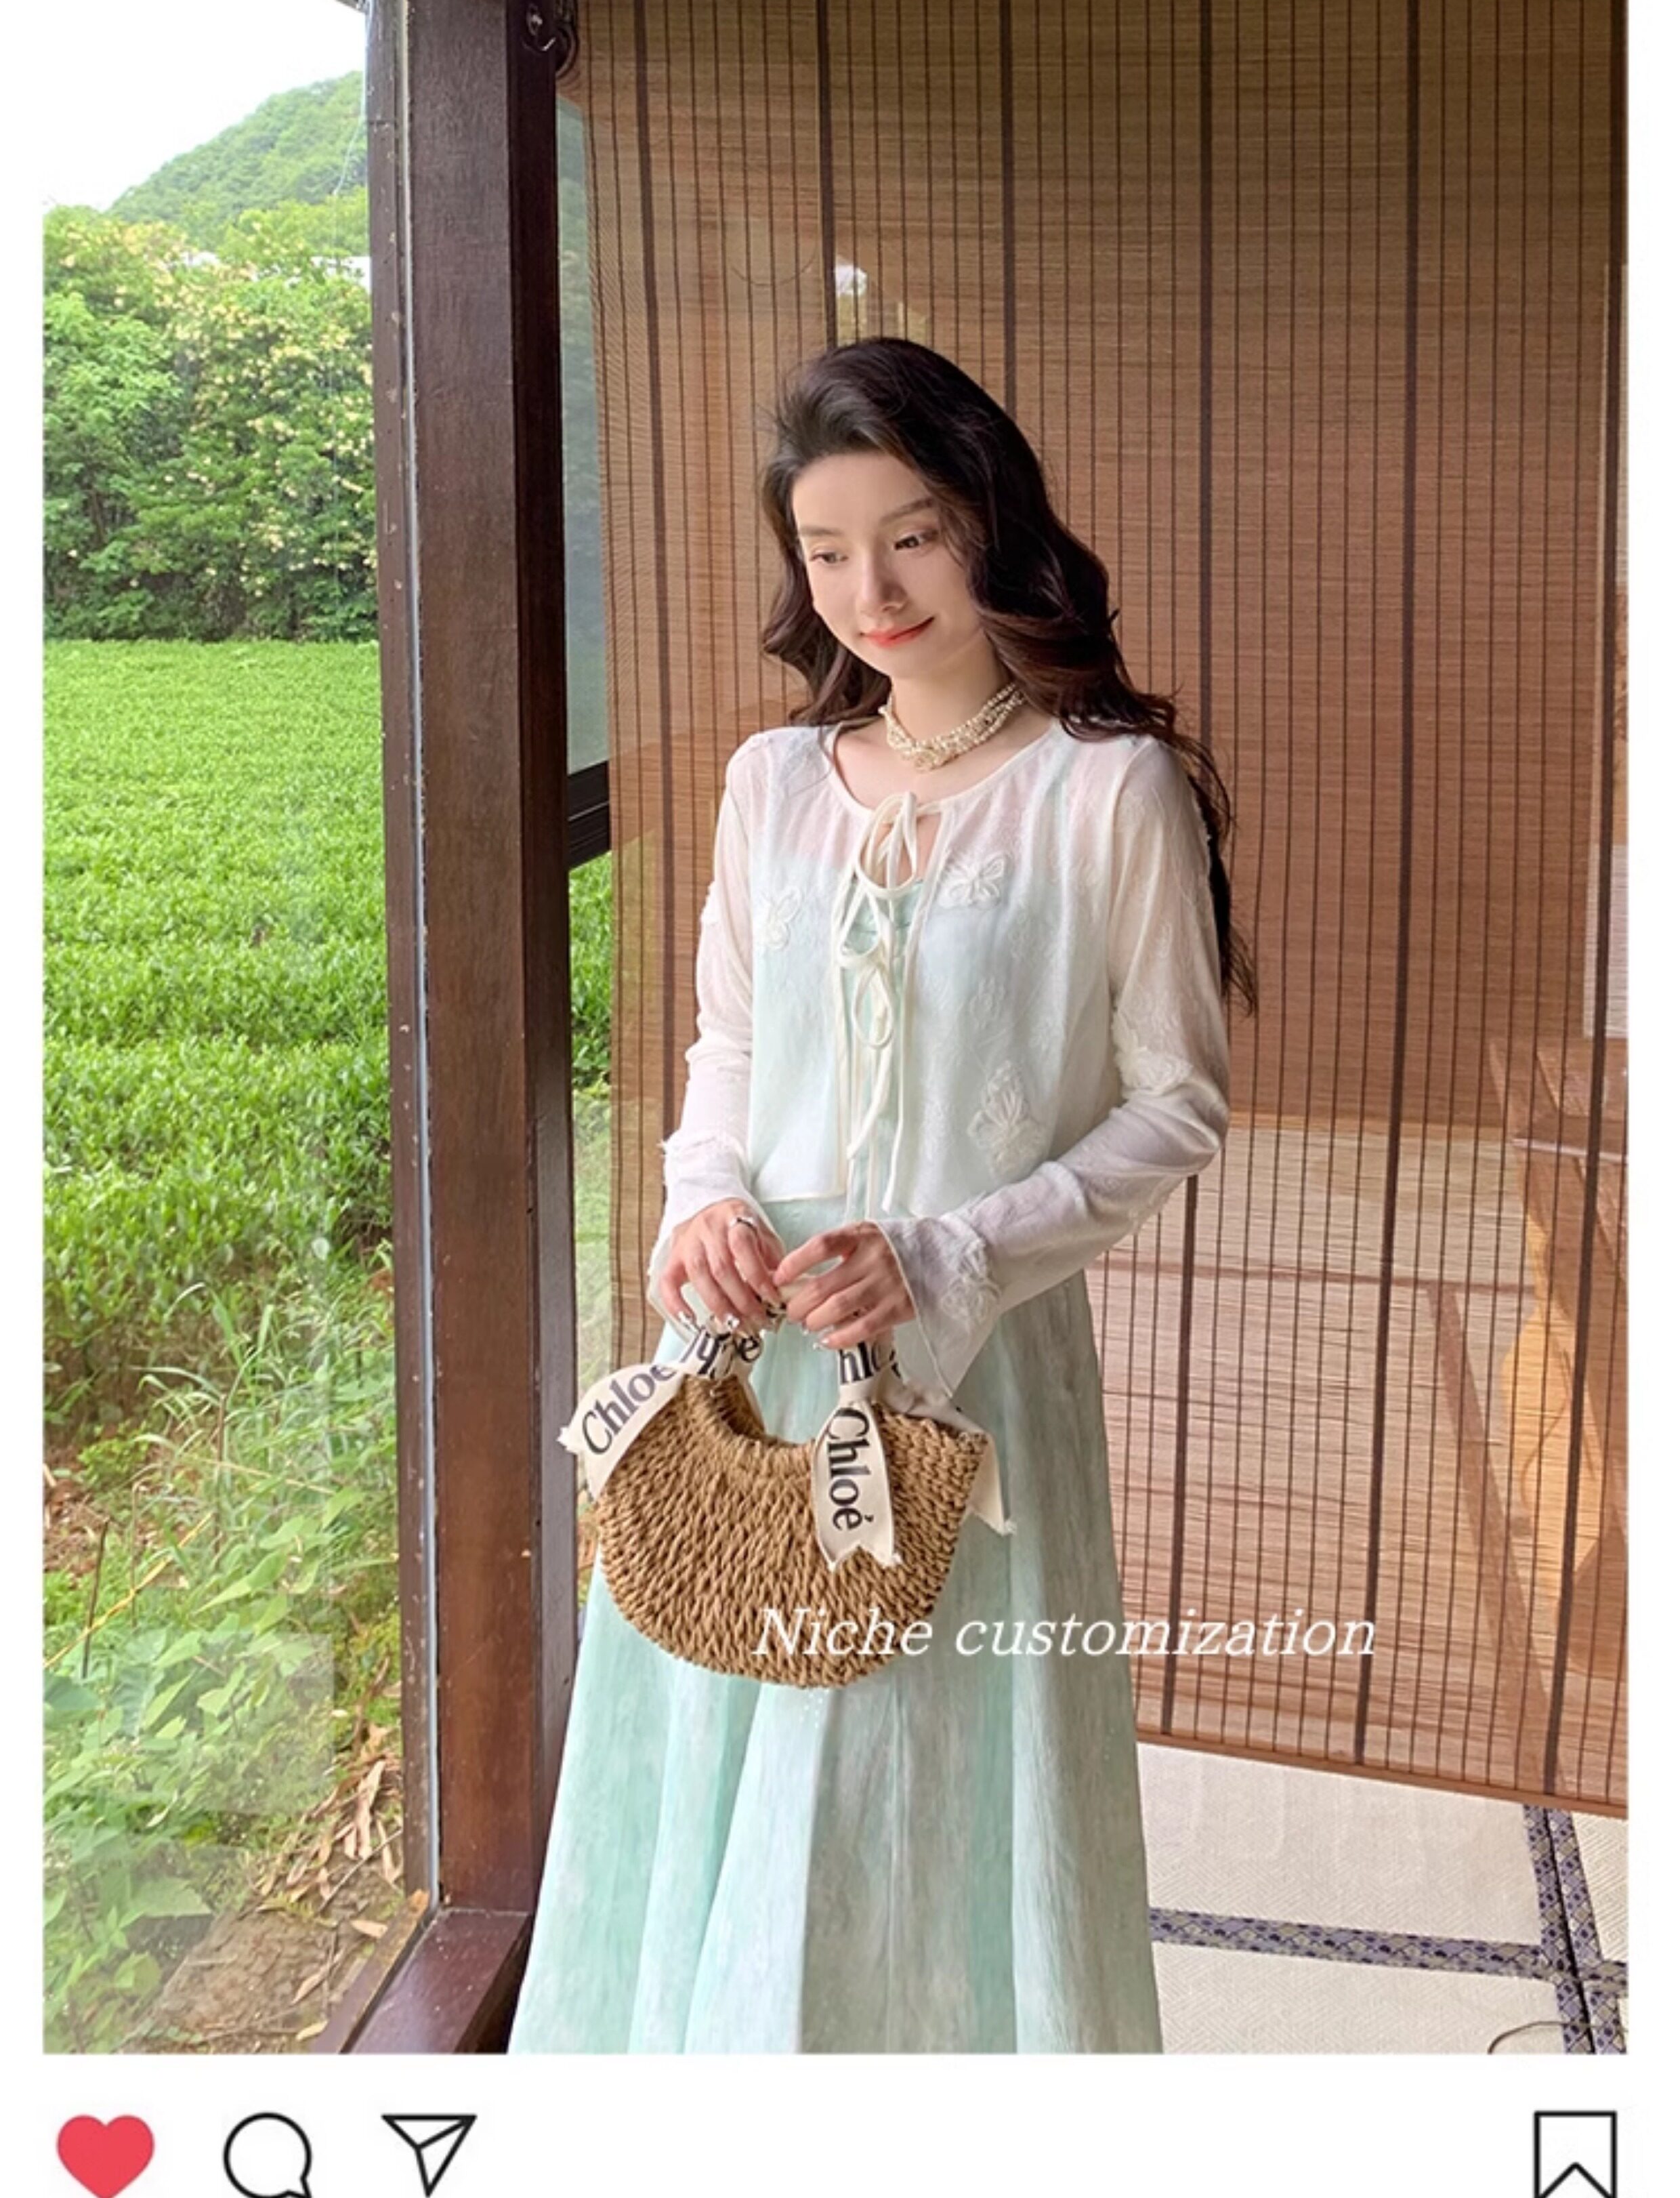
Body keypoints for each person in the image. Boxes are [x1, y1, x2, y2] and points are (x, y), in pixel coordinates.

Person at [508, 337, 1253, 2055]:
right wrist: (702, 1202)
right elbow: (727, 1046)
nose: (872, 592)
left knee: (896, 1785)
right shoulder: (771, 784)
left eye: (911, 537)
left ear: (992, 521)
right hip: (744, 1357)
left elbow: (1177, 1107)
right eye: (828, 551)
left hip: (962, 1369)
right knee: (717, 1744)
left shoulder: (1104, 787)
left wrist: (947, 1251)